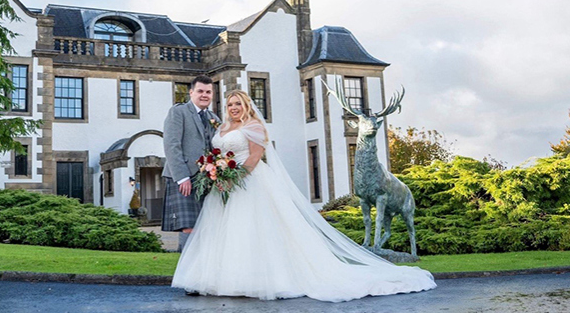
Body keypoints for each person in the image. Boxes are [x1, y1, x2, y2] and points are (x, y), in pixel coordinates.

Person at [172, 90, 436, 302]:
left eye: (238, 104)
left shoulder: (254, 126)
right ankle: (224, 279)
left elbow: (253, 157)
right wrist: (215, 171)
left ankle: (258, 279)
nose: (234, 108)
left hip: (248, 182)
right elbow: (218, 154)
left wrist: (234, 179)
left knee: (251, 229)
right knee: (225, 232)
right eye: (230, 104)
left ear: (247, 105)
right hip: (223, 187)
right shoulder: (222, 127)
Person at [161, 75, 219, 251]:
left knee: (206, 224)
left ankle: (202, 269)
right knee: (189, 226)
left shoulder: (213, 117)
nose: (204, 95)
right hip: (183, 177)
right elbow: (172, 145)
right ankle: (185, 270)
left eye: (208, 92)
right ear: (191, 92)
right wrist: (182, 177)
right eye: (200, 91)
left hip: (206, 179)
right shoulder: (178, 112)